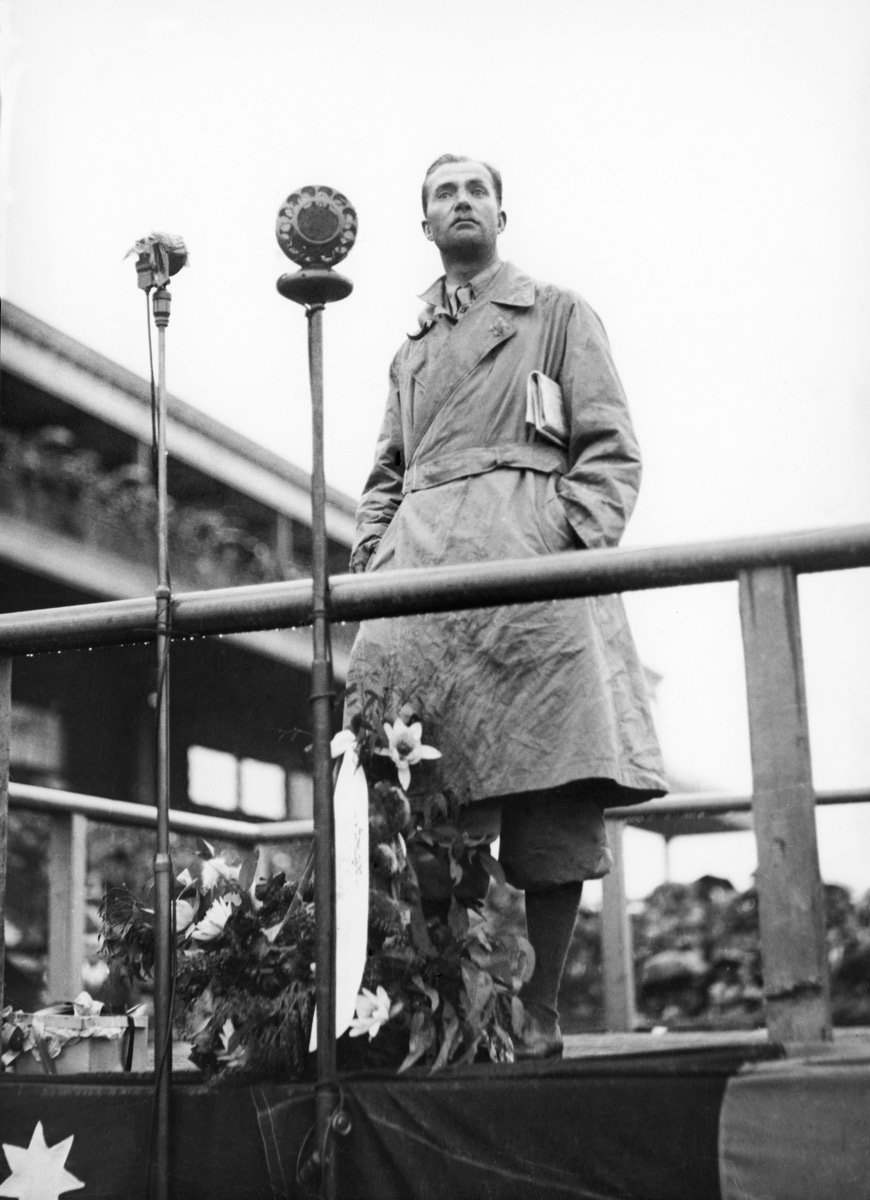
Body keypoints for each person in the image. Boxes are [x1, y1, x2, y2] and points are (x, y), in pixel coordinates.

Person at [346, 154, 667, 1058]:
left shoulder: (557, 313)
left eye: (473, 190)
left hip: (531, 579)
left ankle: (541, 1007)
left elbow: (611, 448)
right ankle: (456, 1006)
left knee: (551, 791)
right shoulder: (409, 352)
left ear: (500, 212)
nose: (460, 204)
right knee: (425, 804)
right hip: (423, 591)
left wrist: (563, 543)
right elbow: (384, 474)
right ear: (424, 225)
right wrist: (376, 555)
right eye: (442, 194)